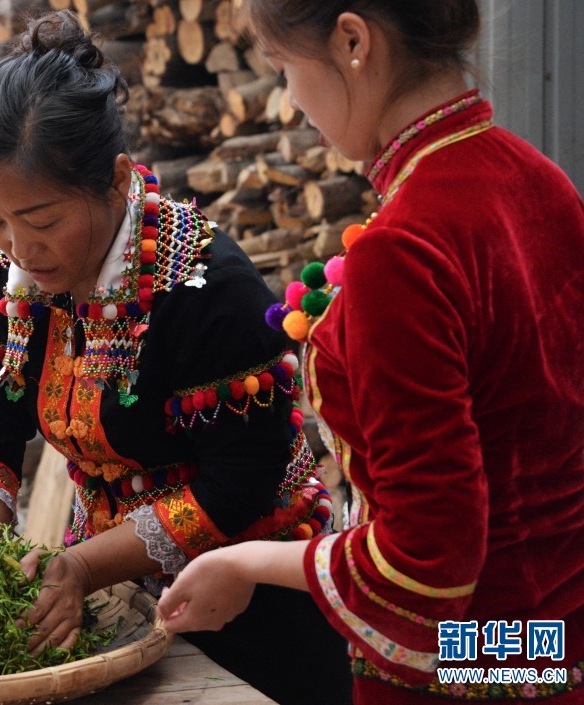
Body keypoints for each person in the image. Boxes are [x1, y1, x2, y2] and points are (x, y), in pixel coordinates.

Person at [0, 10, 352, 704]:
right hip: (108, 592)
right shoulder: (13, 275)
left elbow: (241, 477)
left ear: (116, 180)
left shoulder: (206, 284)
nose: (20, 250)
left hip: (254, 604)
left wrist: (83, 567)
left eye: (44, 220)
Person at [157, 1, 584, 703]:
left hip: (465, 670)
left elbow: (429, 565)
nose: (292, 102)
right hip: (552, 648)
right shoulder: (542, 182)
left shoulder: (405, 250)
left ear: (353, 40)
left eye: (284, 69)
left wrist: (251, 561)